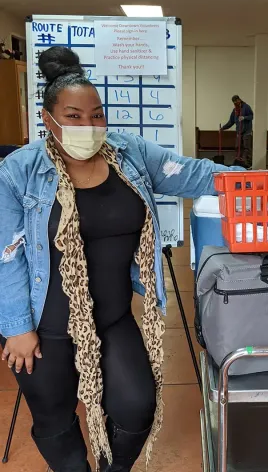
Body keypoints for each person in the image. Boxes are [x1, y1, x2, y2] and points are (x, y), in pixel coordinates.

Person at [0, 46, 242, 472]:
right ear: (48, 119)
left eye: (97, 115)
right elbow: (6, 254)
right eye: (73, 116)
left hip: (112, 318)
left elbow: (197, 174)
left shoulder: (128, 152)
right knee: (55, 420)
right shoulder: (20, 170)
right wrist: (17, 329)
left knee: (136, 407)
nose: (88, 126)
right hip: (44, 325)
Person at [221, 95, 254, 166]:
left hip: (247, 132)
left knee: (246, 147)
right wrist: (223, 128)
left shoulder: (246, 107)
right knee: (237, 147)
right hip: (239, 132)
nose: (235, 102)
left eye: (236, 100)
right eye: (234, 102)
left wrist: (244, 117)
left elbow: (251, 116)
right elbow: (231, 121)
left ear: (239, 99)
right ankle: (239, 162)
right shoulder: (235, 110)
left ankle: (247, 164)